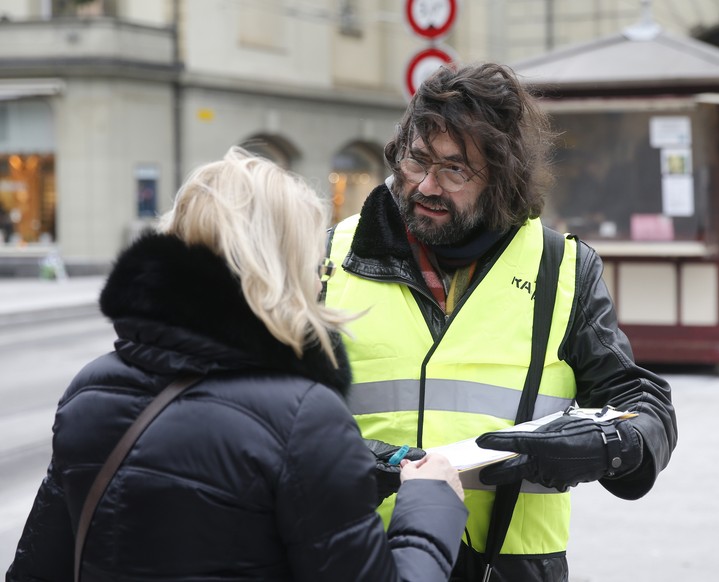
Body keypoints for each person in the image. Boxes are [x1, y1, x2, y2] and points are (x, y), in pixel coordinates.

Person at [6, 147, 468, 581]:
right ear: (281, 266)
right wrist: (430, 503)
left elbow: (35, 569)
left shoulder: (94, 391)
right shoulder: (301, 418)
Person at [321, 62, 678, 582]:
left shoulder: (562, 269)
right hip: (360, 559)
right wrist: (358, 460)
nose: (426, 185)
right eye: (416, 159)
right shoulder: (329, 256)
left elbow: (640, 401)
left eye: (455, 170)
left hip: (511, 568)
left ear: (503, 179)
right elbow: (275, 403)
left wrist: (613, 446)